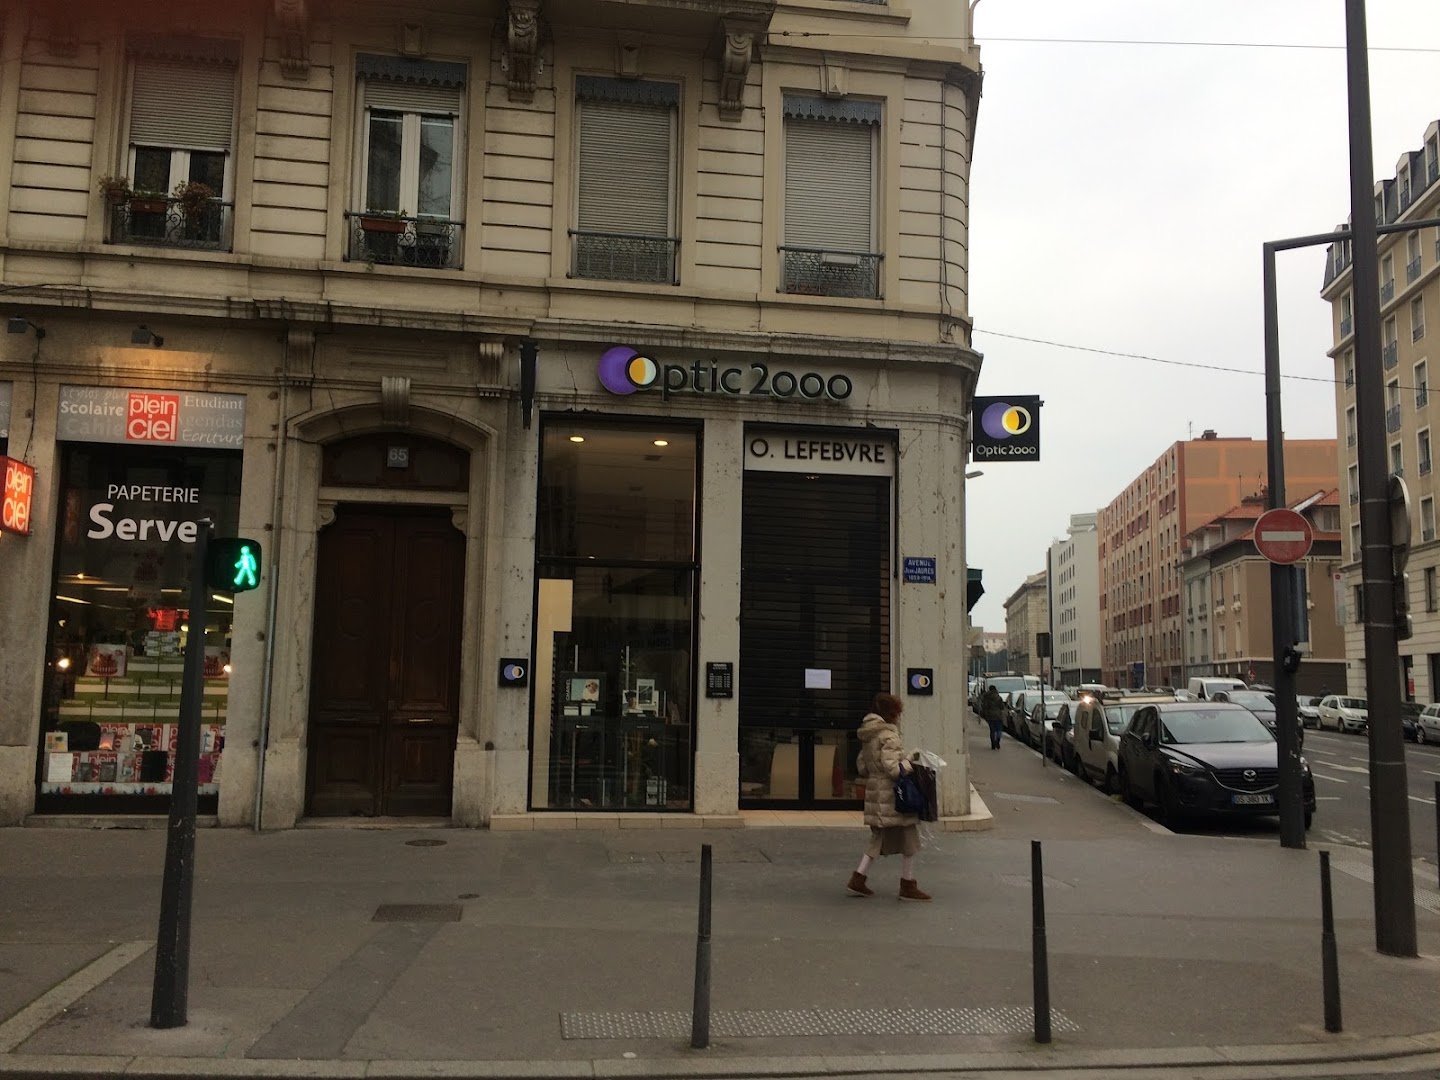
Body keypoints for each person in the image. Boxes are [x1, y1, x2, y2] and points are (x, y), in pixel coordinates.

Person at [846, 692, 931, 901]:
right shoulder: (888, 736)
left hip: (875, 793)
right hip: (893, 795)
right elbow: (894, 770)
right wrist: (911, 758)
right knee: (909, 837)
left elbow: (862, 766)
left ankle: (858, 878)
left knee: (878, 839)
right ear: (891, 713)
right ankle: (907, 885)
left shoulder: (868, 735)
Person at [981, 684, 1004, 749]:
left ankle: (993, 744)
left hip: (990, 716)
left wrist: (985, 714)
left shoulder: (986, 697)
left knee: (992, 730)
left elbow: (984, 707)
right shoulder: (999, 697)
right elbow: (1002, 707)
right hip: (998, 716)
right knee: (999, 729)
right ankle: (997, 740)